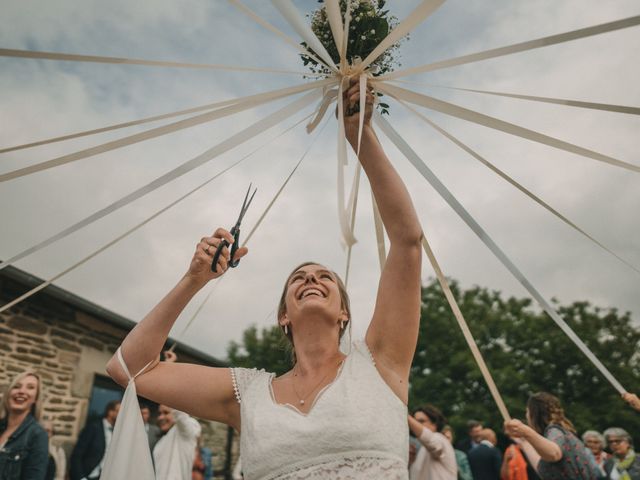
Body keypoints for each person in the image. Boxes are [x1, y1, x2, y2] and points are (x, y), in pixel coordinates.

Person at [106, 78, 423, 479]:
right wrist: (193, 279)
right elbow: (128, 370)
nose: (311, 278)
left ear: (343, 312)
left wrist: (360, 137)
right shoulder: (247, 394)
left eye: (325, 276)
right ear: (283, 316)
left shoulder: (380, 361)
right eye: (298, 278)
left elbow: (407, 242)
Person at [504, 392, 599, 479]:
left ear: (534, 413)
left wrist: (526, 431)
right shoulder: (564, 434)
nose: (526, 416)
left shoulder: (554, 430)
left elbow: (554, 454)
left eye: (527, 411)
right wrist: (524, 442)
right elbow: (542, 466)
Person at [152, 352, 201, 480]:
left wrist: (169, 369)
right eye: (160, 413)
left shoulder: (187, 431)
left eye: (166, 412)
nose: (161, 417)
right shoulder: (163, 439)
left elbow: (178, 409)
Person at [0, 370, 49, 480]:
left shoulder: (38, 435)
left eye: (30, 387)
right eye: (16, 386)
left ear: (36, 398)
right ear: (8, 393)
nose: (22, 391)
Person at [69, 399, 120, 480]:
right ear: (110, 412)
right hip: (87, 476)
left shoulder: (117, 433)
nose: (122, 415)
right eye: (119, 412)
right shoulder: (93, 427)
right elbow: (77, 455)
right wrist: (80, 477)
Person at [408, 405, 457, 480]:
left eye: (421, 421)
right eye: (415, 421)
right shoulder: (420, 448)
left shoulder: (441, 439)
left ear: (434, 424)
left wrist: (407, 417)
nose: (416, 425)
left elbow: (431, 441)